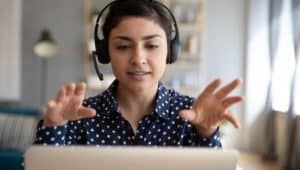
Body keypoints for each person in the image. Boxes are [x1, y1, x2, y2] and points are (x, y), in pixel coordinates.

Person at [34, 0, 243, 147]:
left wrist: (206, 133)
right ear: (106, 53)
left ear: (170, 51)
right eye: (123, 47)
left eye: (152, 45)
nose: (138, 58)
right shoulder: (78, 117)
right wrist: (53, 127)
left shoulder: (192, 116)